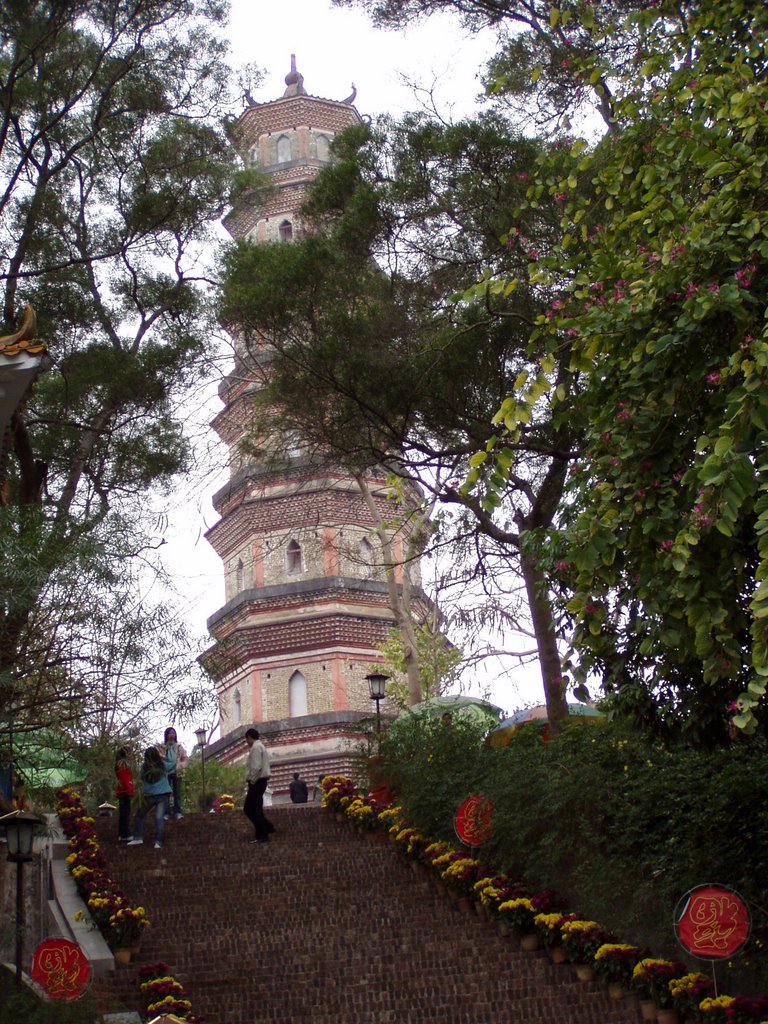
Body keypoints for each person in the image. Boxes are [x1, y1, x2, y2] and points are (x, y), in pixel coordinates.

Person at [129, 746, 171, 849]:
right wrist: (164, 757)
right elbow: (173, 765)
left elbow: (142, 778)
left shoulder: (144, 767)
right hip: (163, 794)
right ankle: (158, 842)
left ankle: (138, 837)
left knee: (139, 815)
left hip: (149, 795)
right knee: (159, 818)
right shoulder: (162, 765)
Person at [243, 728, 274, 843]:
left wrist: (252, 780)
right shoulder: (261, 747)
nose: (247, 742)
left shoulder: (256, 748)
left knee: (250, 808)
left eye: (247, 739)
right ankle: (266, 827)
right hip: (261, 781)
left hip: (257, 781)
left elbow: (256, 767)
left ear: (250, 737)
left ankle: (262, 834)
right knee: (256, 808)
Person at [162, 726, 189, 820]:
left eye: (173, 733)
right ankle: (166, 813)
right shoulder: (162, 747)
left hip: (177, 772)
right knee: (166, 794)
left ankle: (178, 812)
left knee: (177, 793)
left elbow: (185, 758)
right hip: (166, 773)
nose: (172, 735)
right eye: (170, 733)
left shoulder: (179, 747)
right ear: (166, 735)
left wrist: (181, 765)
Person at [114, 746, 134, 842]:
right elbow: (124, 779)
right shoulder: (122, 765)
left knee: (123, 813)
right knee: (125, 813)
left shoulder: (121, 764)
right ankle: (125, 833)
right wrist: (129, 790)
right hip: (124, 791)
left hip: (123, 790)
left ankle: (122, 833)